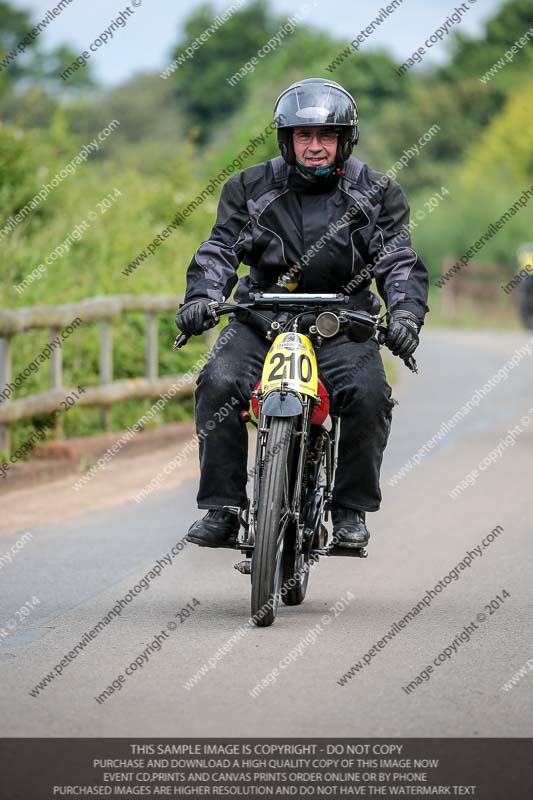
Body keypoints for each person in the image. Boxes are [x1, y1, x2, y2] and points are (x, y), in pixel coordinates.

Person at [176, 78, 429, 550]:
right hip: (260, 319)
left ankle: (349, 511)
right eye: (303, 136)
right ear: (286, 140)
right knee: (217, 382)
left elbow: (399, 262)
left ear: (345, 140)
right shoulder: (248, 186)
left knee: (370, 394)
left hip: (342, 324)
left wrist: (406, 317)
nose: (315, 147)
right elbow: (219, 249)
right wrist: (201, 297)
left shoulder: (379, 192)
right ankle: (223, 507)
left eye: (327, 136)